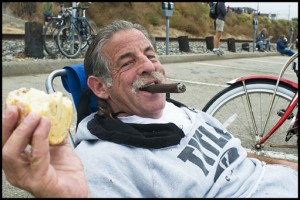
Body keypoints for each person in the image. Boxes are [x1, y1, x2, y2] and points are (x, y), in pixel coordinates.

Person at [2, 20, 298, 198]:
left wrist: (287, 166)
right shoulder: (103, 162)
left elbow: (234, 155)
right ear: (101, 88)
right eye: (127, 62)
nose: (149, 66)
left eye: (150, 55)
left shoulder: (178, 111)